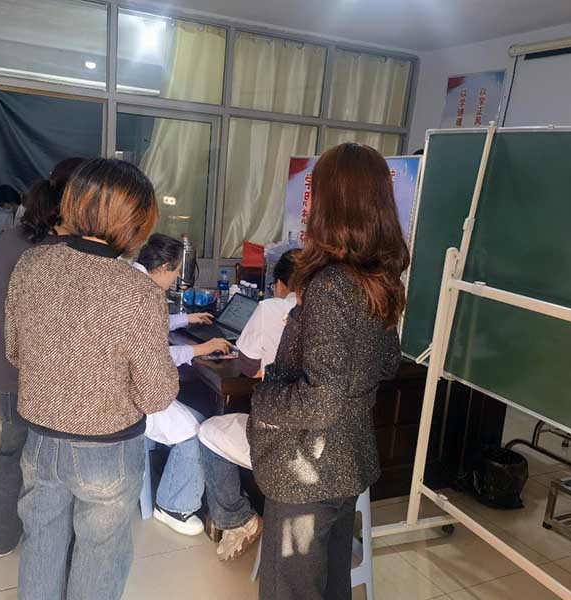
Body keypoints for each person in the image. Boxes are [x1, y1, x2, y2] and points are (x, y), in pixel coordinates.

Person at [6, 158, 178, 600]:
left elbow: (14, 351)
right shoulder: (138, 291)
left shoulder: (31, 265)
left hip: (40, 439)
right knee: (100, 554)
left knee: (41, 542)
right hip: (108, 450)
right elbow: (156, 395)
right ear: (135, 222)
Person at [249, 143, 408, 600]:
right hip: (347, 461)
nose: (308, 205)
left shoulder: (331, 284)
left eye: (315, 192)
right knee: (333, 585)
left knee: (291, 590)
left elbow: (321, 399)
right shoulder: (379, 279)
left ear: (333, 204)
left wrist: (264, 397)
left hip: (306, 470)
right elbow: (387, 363)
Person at [0, 157, 84, 558]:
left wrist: (1, 349)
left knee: (11, 451)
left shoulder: (9, 240)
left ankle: (1, 535)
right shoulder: (72, 251)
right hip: (56, 380)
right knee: (51, 460)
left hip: (11, 374)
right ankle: (48, 541)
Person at [197, 249, 300, 561]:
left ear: (279, 284)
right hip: (324, 446)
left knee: (208, 430)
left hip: (279, 441)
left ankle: (238, 517)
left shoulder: (270, 308)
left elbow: (249, 368)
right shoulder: (331, 315)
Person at [132, 233, 231, 536]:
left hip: (133, 385)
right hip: (138, 392)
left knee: (198, 414)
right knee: (195, 430)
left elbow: (155, 327)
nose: (176, 278)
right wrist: (202, 349)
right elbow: (158, 356)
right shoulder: (145, 294)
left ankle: (179, 482)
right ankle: (173, 506)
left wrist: (186, 320)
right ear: (164, 267)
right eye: (175, 272)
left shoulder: (136, 282)